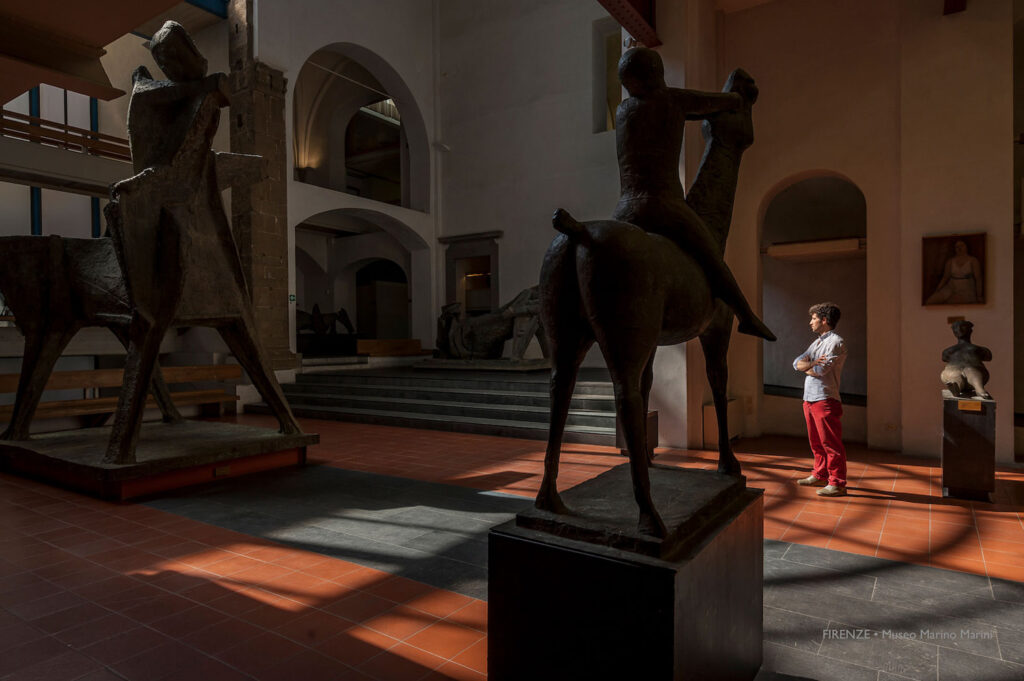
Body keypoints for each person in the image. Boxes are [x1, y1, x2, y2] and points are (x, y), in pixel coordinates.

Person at [612, 48, 775, 341]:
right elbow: (723, 102)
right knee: (711, 256)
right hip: (663, 205)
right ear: (655, 73)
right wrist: (738, 98)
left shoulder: (622, 111)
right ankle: (746, 316)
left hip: (624, 210)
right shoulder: (671, 100)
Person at [793, 302, 848, 497]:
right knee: (815, 442)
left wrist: (807, 366)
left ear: (824, 320)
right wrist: (809, 364)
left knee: (830, 444)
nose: (810, 322)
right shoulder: (816, 343)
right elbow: (795, 363)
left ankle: (838, 482)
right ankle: (820, 474)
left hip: (825, 398)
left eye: (814, 318)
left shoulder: (836, 342)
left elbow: (819, 370)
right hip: (809, 399)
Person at [925, 240, 982, 305]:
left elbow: (978, 279)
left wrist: (979, 295)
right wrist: (937, 290)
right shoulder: (950, 261)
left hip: (967, 289)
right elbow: (945, 277)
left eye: (961, 246)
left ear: (966, 247)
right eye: (957, 247)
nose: (959, 248)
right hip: (951, 287)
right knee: (930, 301)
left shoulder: (973, 260)